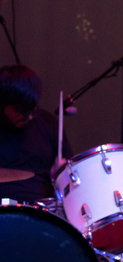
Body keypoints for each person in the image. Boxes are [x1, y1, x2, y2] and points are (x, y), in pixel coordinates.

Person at [0, 64, 70, 202]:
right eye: (21, 110)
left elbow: (71, 180)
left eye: (32, 109)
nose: (30, 116)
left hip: (42, 210)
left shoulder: (48, 123)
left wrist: (60, 175)